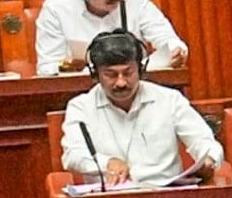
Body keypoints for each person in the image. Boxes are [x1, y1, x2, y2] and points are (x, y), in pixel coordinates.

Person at [57, 32, 221, 188]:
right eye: (111, 75)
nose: (121, 83)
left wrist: (208, 159)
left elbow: (204, 141)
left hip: (166, 196)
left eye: (128, 73)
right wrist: (107, 163)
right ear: (95, 75)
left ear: (141, 70)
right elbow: (72, 156)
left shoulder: (169, 99)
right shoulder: (80, 107)